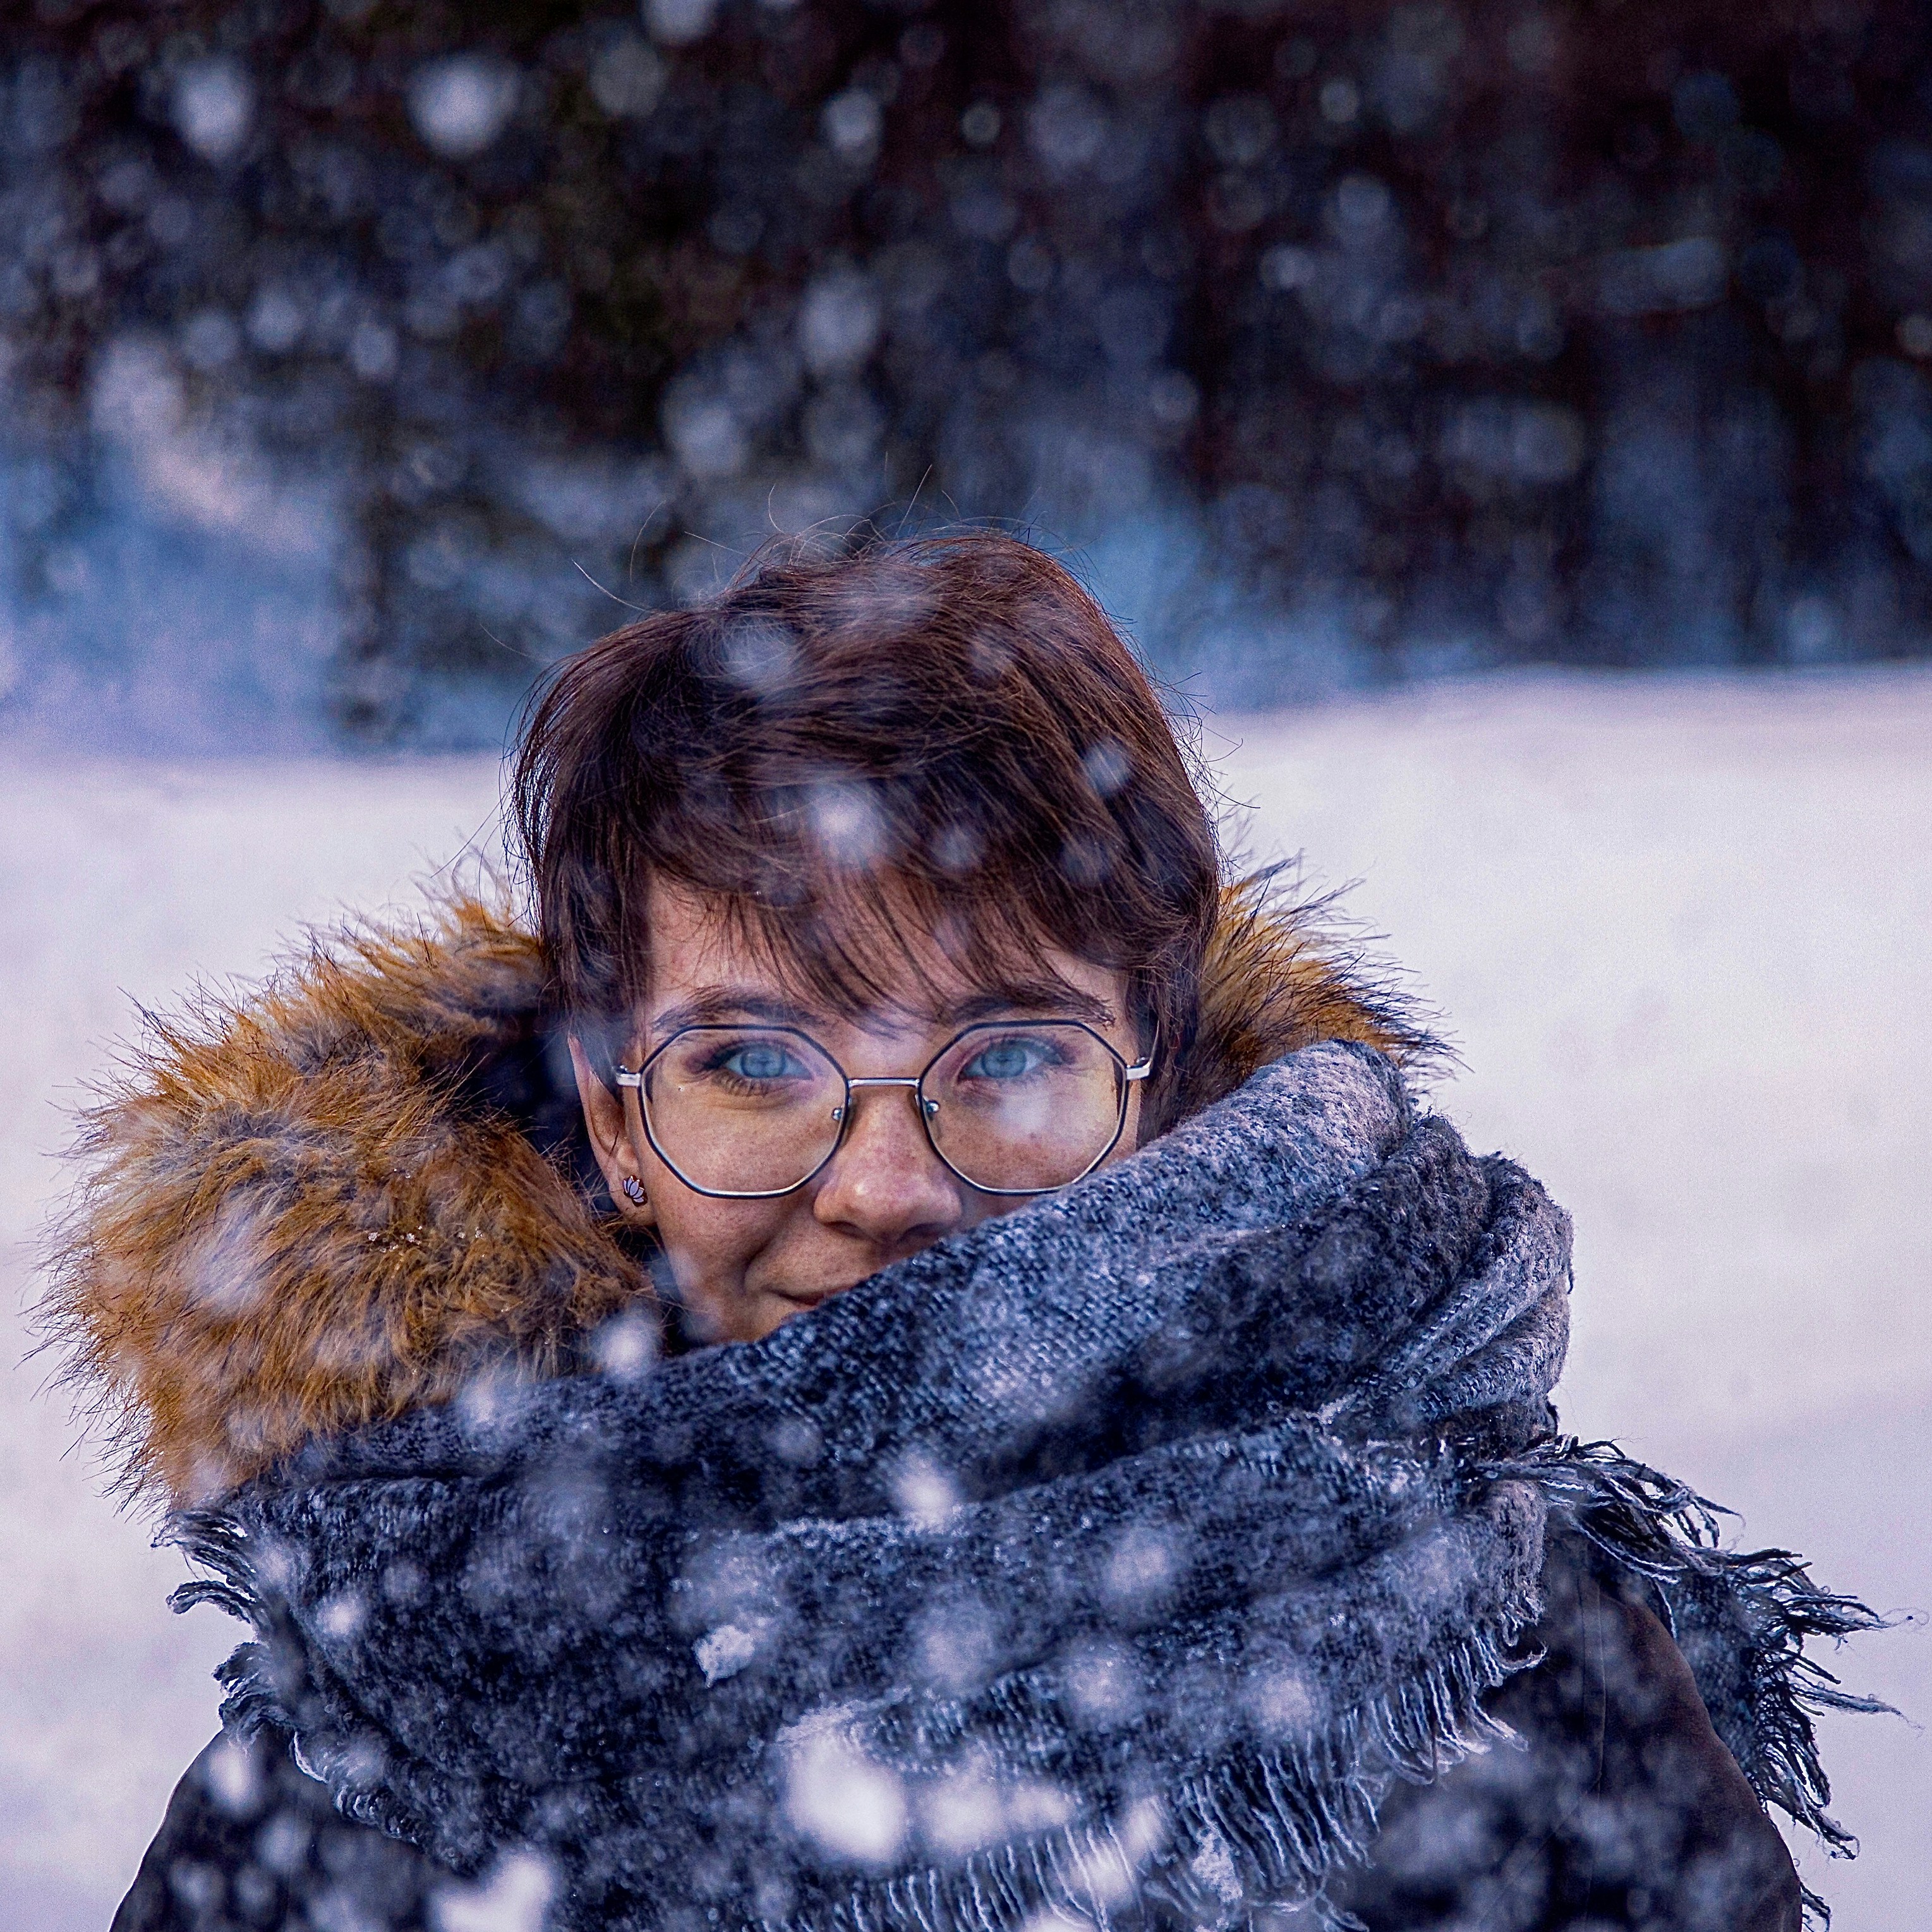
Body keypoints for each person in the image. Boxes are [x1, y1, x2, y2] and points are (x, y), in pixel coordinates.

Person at [44, 534, 1865, 1932]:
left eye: (1003, 1060)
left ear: (1153, 1086)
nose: (881, 1187)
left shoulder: (1462, 1631)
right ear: (611, 1118)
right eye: (754, 1062)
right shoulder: (419, 1700)